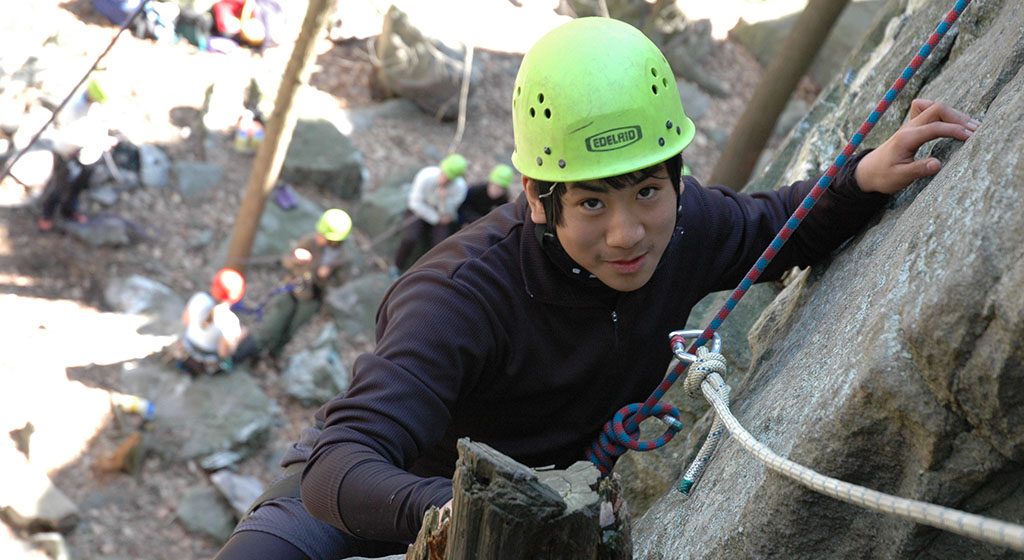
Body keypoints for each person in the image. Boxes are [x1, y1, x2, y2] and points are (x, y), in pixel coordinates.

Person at [214, 17, 978, 560]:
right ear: (536, 197)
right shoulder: (458, 294)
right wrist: (457, 513)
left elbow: (777, 228)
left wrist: (864, 178)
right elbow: (339, 463)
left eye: (647, 190)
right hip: (367, 510)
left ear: (675, 176)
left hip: (533, 521)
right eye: (590, 202)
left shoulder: (684, 227)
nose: (626, 233)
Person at [233, 208, 353, 363]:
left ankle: (273, 353)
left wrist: (326, 275)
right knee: (272, 324)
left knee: (291, 330)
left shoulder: (343, 258)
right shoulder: (309, 242)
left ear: (334, 240)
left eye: (322, 235)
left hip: (311, 299)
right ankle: (245, 353)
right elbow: (286, 261)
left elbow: (339, 284)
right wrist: (297, 260)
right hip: (290, 289)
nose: (318, 235)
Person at [37, 79, 116, 232]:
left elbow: (95, 125)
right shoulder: (74, 108)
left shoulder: (91, 106)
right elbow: (73, 134)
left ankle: (69, 211)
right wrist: (99, 141)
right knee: (60, 185)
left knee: (78, 184)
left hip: (84, 153)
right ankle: (46, 215)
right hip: (66, 152)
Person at [390, 153, 469, 278]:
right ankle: (397, 266)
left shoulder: (460, 188)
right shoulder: (426, 175)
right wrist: (435, 218)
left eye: (449, 178)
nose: (444, 179)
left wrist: (444, 200)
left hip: (441, 214)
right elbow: (415, 202)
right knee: (410, 238)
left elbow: (449, 213)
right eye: (444, 174)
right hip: (424, 212)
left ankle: (426, 274)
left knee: (440, 245)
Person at [177, 268, 246, 375]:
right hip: (206, 359)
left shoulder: (199, 298)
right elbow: (224, 352)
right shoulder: (230, 321)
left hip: (187, 348)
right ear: (237, 297)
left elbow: (185, 321)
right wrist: (238, 338)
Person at [457, 163, 514, 227]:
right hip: (469, 221)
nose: (496, 190)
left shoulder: (503, 199)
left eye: (500, 188)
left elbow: (502, 215)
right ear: (490, 182)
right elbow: (462, 207)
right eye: (495, 185)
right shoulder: (476, 190)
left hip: (484, 224)